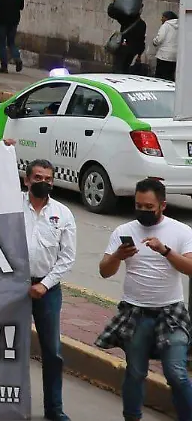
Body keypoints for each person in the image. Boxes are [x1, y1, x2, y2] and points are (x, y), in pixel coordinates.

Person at [97, 178, 192, 421]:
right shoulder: (123, 231)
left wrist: (165, 251)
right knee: (136, 372)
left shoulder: (181, 231)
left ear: (163, 206)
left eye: (149, 207)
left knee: (176, 373)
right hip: (135, 312)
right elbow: (105, 271)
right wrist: (117, 256)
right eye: (138, 206)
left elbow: (190, 268)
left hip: (170, 313)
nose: (143, 211)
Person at [22, 159, 76, 421]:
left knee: (52, 352)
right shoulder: (11, 206)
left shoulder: (63, 214)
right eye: (38, 178)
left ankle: (54, 409)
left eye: (48, 179)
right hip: (14, 288)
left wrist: (44, 284)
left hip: (47, 290)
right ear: (27, 180)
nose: (43, 182)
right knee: (10, 348)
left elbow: (67, 257)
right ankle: (11, 405)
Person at [108, 0, 147, 75]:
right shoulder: (142, 24)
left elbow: (111, 12)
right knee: (125, 71)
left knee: (118, 70)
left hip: (122, 50)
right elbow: (142, 41)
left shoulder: (127, 18)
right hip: (132, 53)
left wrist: (114, 2)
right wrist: (139, 54)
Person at [153, 10, 178, 81]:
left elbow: (160, 38)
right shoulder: (181, 26)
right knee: (170, 76)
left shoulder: (165, 25)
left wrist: (154, 42)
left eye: (163, 17)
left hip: (164, 55)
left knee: (160, 77)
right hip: (174, 56)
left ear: (167, 18)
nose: (161, 19)